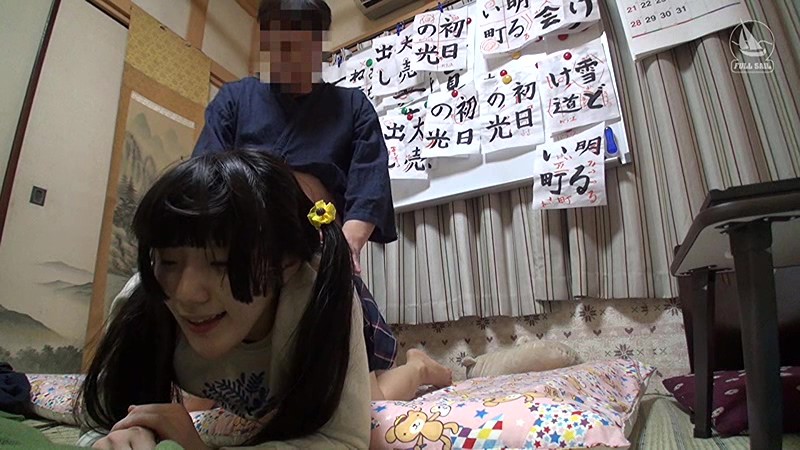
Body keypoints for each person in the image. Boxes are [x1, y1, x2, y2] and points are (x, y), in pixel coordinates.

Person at [78, 151, 450, 450]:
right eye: (169, 261)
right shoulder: (146, 300)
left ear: (284, 264)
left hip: (335, 305)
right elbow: (105, 417)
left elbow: (342, 439)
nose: (185, 293)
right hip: (258, 349)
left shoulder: (316, 298)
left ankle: (419, 366)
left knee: (372, 398)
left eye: (221, 262)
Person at [192, 0, 436, 396]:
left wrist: (345, 250)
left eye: (303, 45)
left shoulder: (352, 107)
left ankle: (420, 367)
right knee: (220, 383)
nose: (291, 57)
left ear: (319, 45)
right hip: (241, 253)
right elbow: (204, 180)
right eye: (281, 44)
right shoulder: (235, 99)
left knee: (359, 398)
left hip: (317, 253)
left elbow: (368, 186)